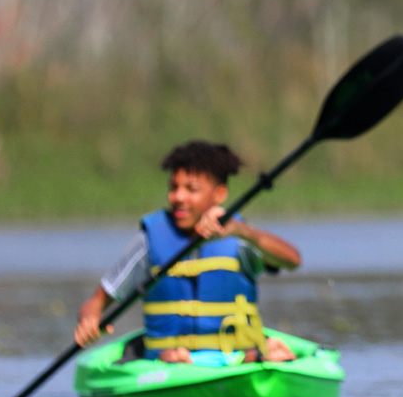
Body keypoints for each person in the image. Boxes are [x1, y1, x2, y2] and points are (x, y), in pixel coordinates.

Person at [73, 141, 302, 365]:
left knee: (260, 353)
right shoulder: (148, 241)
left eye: (191, 189)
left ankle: (261, 357)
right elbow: (96, 302)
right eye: (173, 188)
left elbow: (292, 260)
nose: (178, 197)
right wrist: (89, 320)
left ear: (219, 194)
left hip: (234, 361)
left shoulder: (237, 238)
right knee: (171, 358)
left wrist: (242, 231)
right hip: (167, 365)